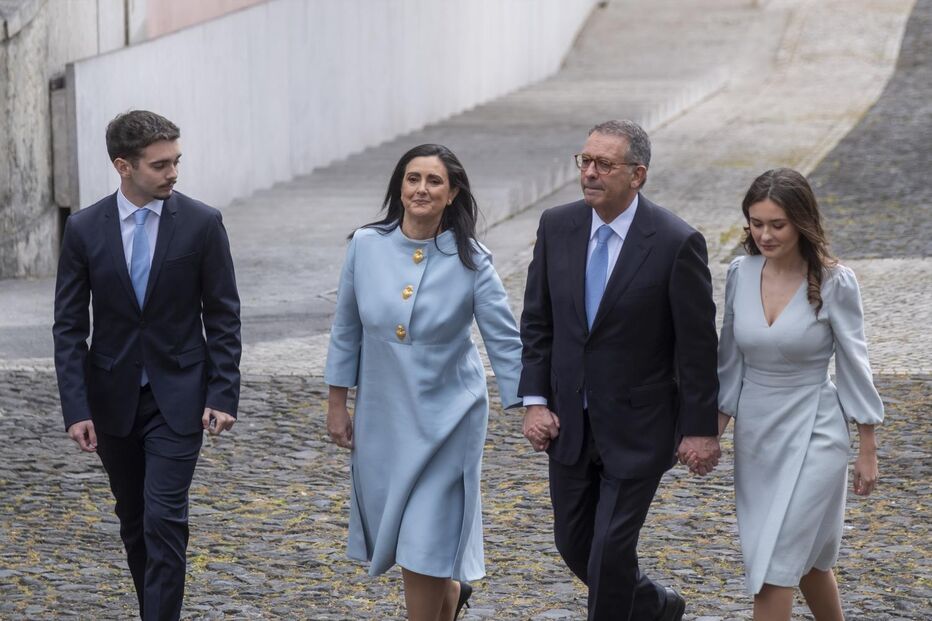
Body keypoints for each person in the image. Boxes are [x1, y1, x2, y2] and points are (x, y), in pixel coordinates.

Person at [519, 119, 721, 621]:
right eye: (585, 161)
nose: (590, 172)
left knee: (609, 551)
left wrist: (700, 428)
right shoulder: (556, 226)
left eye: (604, 164)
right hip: (569, 422)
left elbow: (696, 347)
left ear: (637, 175)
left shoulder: (675, 242)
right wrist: (535, 401)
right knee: (574, 543)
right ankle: (655, 605)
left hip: (639, 427)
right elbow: (538, 322)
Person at [53, 110, 242, 620]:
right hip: (112, 400)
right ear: (124, 166)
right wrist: (76, 408)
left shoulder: (202, 223)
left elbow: (222, 315)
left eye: (176, 161)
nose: (173, 173)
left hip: (178, 397)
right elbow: (69, 328)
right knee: (135, 521)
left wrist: (222, 392)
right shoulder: (83, 228)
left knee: (164, 519)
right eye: (160, 165)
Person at [324, 143, 522, 620]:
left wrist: (532, 406)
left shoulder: (472, 260)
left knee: (426, 534)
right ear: (399, 186)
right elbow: (346, 328)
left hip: (450, 418)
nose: (421, 189)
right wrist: (336, 403)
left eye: (434, 181)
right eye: (413, 178)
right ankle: (449, 596)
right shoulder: (365, 246)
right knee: (406, 532)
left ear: (452, 193)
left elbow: (504, 339)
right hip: (384, 416)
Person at [715, 168, 882, 620]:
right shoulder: (740, 273)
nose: (764, 235)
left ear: (802, 222)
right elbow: (729, 362)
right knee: (807, 564)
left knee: (776, 561)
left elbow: (854, 363)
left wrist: (867, 448)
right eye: (756, 223)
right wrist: (710, 432)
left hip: (816, 432)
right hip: (757, 438)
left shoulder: (834, 281)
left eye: (777, 224)